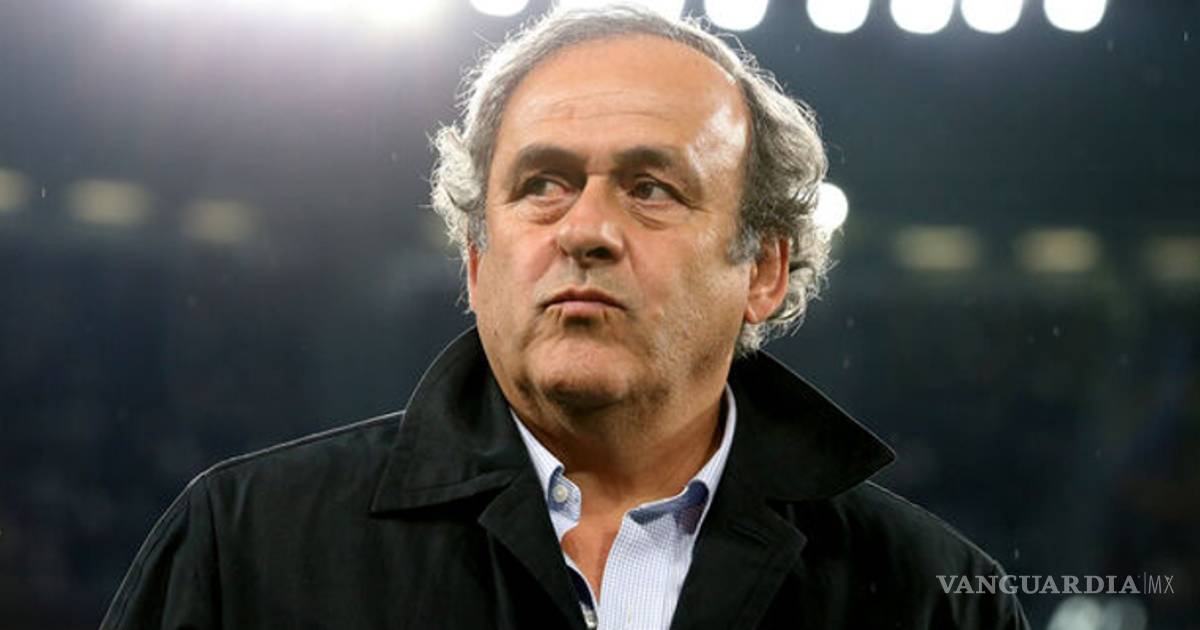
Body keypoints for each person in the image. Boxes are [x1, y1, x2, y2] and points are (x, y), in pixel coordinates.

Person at [102, 5, 1029, 629]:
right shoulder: (247, 546)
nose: (585, 230)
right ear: (476, 261)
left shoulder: (932, 598)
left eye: (652, 188)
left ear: (765, 269)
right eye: (542, 184)